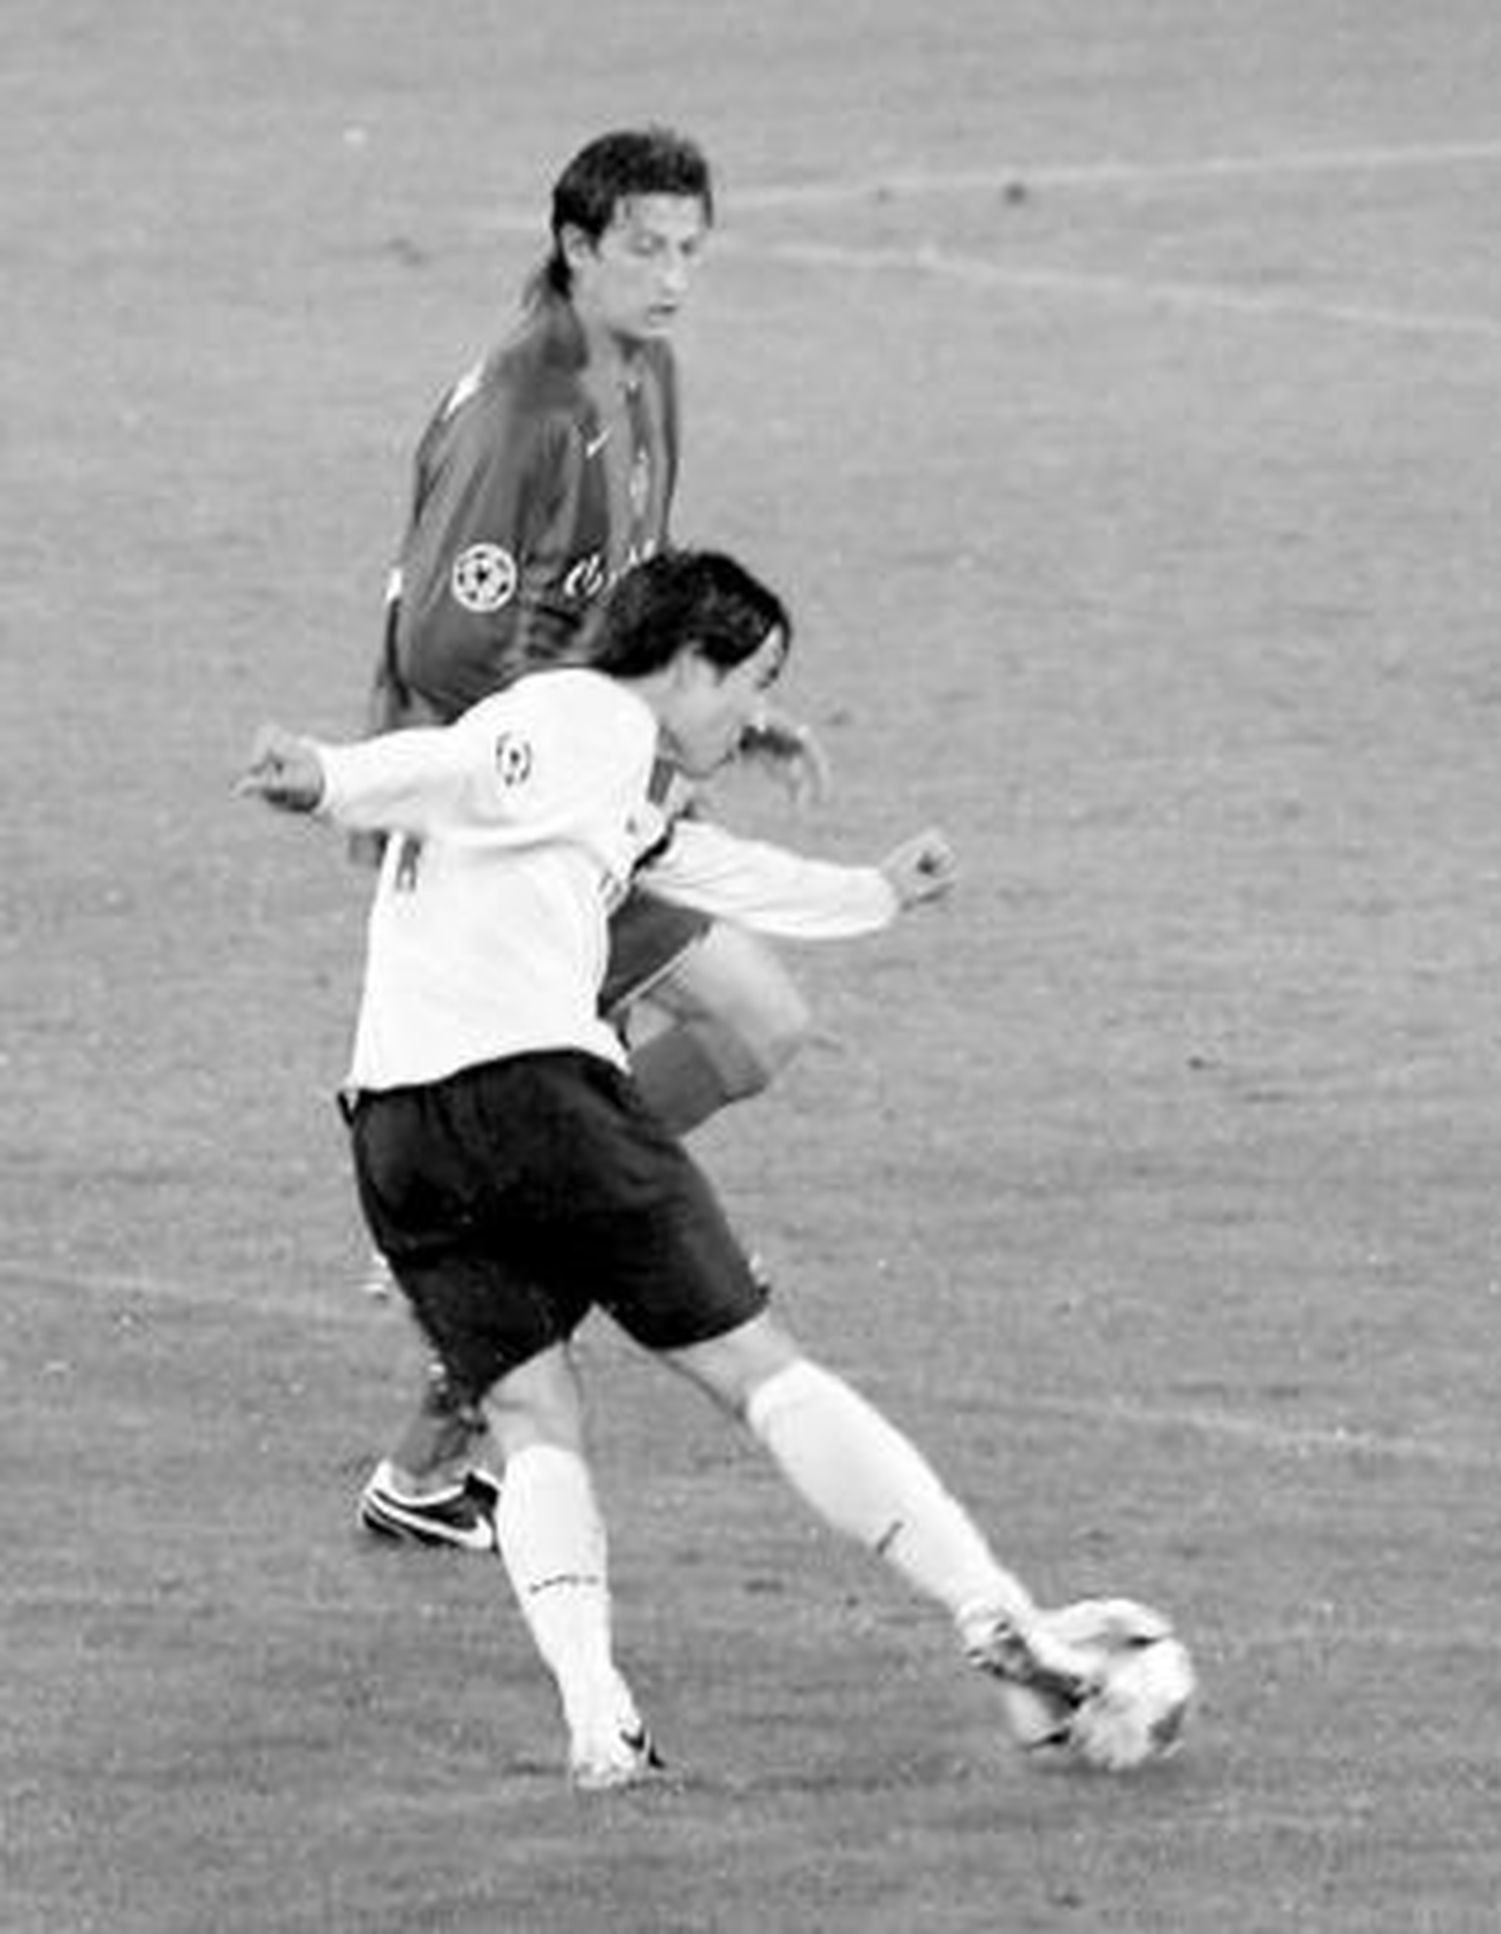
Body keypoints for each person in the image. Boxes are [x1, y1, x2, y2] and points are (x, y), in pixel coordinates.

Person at [240, 549, 1113, 1790]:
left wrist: (871, 891)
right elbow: (448, 768)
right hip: (534, 1097)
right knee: (760, 1374)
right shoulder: (577, 718)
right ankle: (996, 1612)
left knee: (533, 1412)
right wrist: (327, 776)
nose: (754, 713)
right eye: (750, 680)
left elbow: (695, 870)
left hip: (394, 1130)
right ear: (688, 660)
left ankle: (602, 1724)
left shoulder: (604, 771)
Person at [356, 127, 827, 1549]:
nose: (675, 277)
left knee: (752, 1031)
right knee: (748, 1024)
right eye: (646, 248)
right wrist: (586, 784)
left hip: (593, 803)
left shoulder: (645, 371)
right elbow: (445, 652)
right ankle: (456, 1414)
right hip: (515, 825)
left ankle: (437, 1445)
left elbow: (626, 611)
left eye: (693, 249)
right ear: (575, 244)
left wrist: (712, 712)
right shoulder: (525, 410)